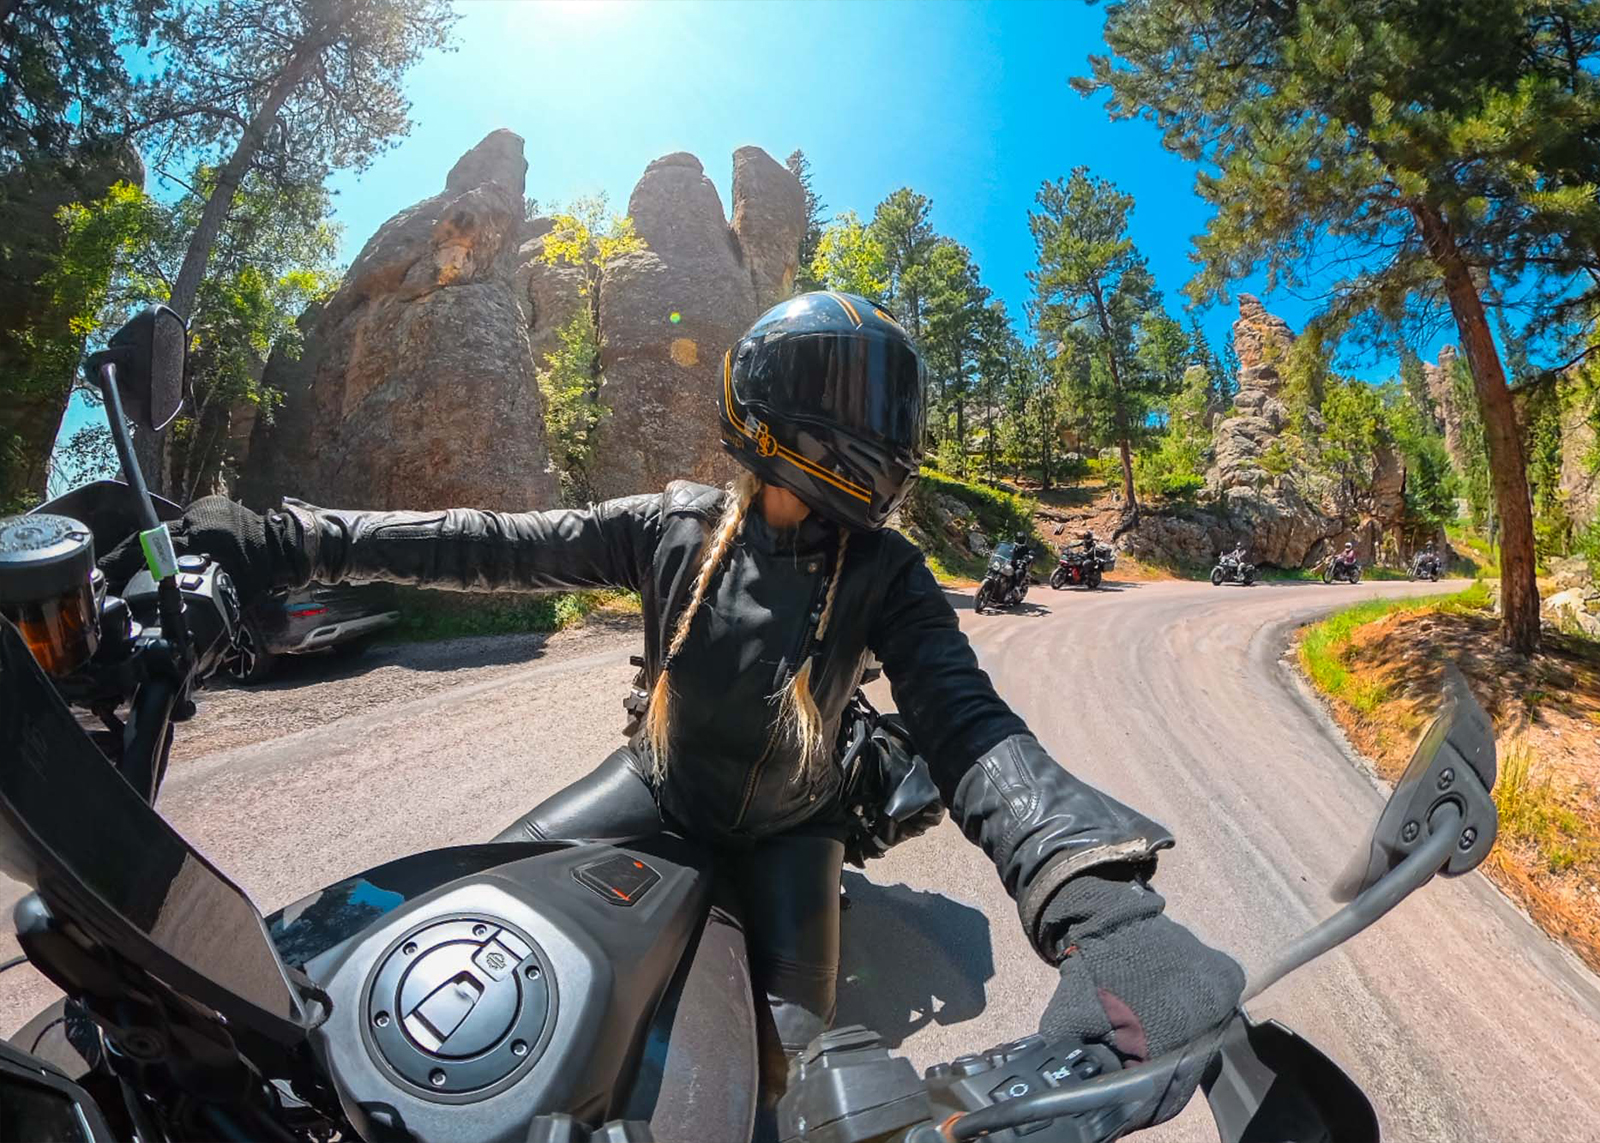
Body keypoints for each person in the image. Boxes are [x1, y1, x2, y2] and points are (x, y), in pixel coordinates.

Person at [111, 291, 1241, 1127]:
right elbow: (492, 544)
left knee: (785, 1078)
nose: (888, 432)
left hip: (795, 831)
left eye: (893, 408)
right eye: (866, 404)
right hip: (654, 783)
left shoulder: (887, 574)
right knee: (455, 905)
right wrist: (292, 536)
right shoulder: (676, 525)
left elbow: (968, 725)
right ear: (781, 409)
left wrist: (1098, 900)